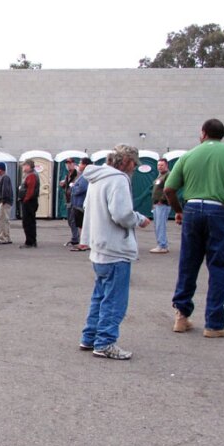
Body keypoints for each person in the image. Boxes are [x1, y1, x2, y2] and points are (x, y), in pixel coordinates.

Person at [164, 118, 224, 338]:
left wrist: (179, 211)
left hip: (192, 210)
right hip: (221, 211)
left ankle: (181, 316)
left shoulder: (188, 155)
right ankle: (214, 323)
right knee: (219, 266)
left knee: (188, 263)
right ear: (222, 134)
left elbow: (169, 189)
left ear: (203, 133)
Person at [78, 144, 151, 360]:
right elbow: (121, 215)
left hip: (99, 246)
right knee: (114, 300)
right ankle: (105, 342)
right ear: (127, 161)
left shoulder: (96, 177)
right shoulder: (118, 179)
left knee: (100, 296)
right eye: (134, 165)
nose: (134, 169)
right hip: (115, 248)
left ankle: (90, 337)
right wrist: (139, 219)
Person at [68, 157, 90, 252]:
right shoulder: (82, 175)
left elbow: (81, 189)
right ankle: (83, 242)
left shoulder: (85, 177)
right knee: (79, 223)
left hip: (80, 203)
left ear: (85, 165)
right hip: (77, 202)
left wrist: (72, 187)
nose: (79, 166)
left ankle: (84, 243)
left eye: (80, 164)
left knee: (82, 224)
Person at [149, 158, 171, 254]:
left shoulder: (168, 175)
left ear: (166, 166)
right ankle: (161, 244)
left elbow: (168, 189)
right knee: (157, 225)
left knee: (160, 225)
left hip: (162, 204)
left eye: (162, 165)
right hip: (156, 204)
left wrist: (161, 200)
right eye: (158, 165)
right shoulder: (160, 176)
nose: (159, 167)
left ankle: (162, 246)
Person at [18, 159, 40, 248]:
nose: (23, 167)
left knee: (28, 222)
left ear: (28, 166)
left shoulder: (31, 176)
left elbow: (30, 190)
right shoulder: (32, 174)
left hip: (29, 202)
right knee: (30, 221)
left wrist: (25, 199)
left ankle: (29, 242)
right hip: (31, 201)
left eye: (24, 166)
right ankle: (32, 241)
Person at [60, 158, 79, 246]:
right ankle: (75, 237)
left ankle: (75, 238)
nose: (68, 165)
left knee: (73, 220)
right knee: (70, 220)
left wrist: (71, 187)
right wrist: (64, 185)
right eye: (67, 163)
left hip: (74, 200)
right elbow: (67, 186)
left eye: (70, 163)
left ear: (74, 164)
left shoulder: (77, 174)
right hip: (68, 199)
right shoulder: (68, 174)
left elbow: (78, 185)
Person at [0, 162, 14, 244]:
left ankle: (3, 238)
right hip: (5, 201)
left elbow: (5, 190)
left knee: (2, 220)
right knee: (5, 220)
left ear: (0, 169)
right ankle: (7, 237)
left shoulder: (4, 177)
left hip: (4, 202)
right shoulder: (2, 177)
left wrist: (2, 200)